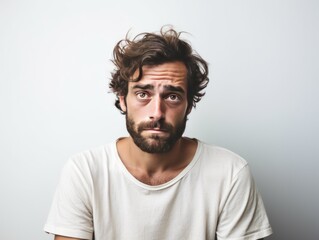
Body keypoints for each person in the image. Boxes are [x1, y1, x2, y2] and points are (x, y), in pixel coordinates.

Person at [44, 27, 273, 240]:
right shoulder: (85, 172)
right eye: (143, 94)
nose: (157, 113)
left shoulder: (230, 173)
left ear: (189, 105)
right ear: (123, 100)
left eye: (172, 96)